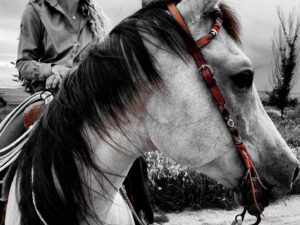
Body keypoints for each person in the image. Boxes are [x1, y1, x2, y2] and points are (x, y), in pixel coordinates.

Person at [16, 0, 109, 93]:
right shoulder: (35, 9)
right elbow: (23, 65)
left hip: (91, 92)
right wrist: (53, 70)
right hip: (53, 95)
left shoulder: (95, 17)